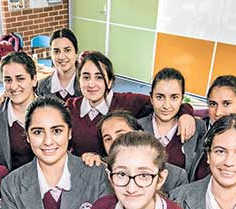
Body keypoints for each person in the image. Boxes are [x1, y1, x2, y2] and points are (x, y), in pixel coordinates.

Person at [66, 51, 196, 158]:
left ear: (110, 82)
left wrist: (185, 112)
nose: (91, 84)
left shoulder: (128, 102)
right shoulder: (71, 107)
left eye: (99, 77)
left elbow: (161, 100)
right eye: (86, 77)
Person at [138, 67, 206, 178]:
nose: (166, 105)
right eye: (160, 97)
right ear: (151, 98)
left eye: (174, 97)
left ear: (182, 99)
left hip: (182, 194)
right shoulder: (137, 128)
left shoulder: (197, 128)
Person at [99, 110, 187, 192]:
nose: (114, 142)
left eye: (121, 135)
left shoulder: (175, 176)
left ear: (139, 133)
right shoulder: (99, 170)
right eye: (107, 139)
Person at [0, 52, 39, 170]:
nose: (14, 86)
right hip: (11, 183)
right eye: (8, 80)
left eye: (20, 79)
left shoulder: (53, 109)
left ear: (34, 79)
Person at [35, 28, 81, 100]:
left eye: (67, 50)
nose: (61, 57)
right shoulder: (41, 86)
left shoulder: (87, 85)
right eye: (56, 51)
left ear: (76, 53)